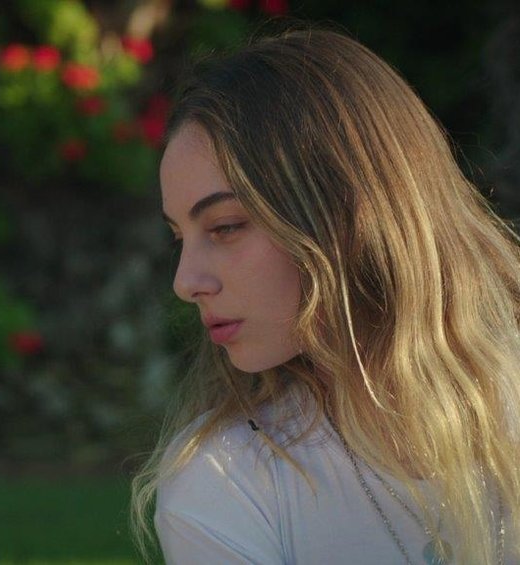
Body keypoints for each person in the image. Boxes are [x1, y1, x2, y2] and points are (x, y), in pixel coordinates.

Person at [131, 29, 519, 564]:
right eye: (180, 237)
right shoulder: (223, 483)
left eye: (224, 227)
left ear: (347, 212)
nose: (185, 281)